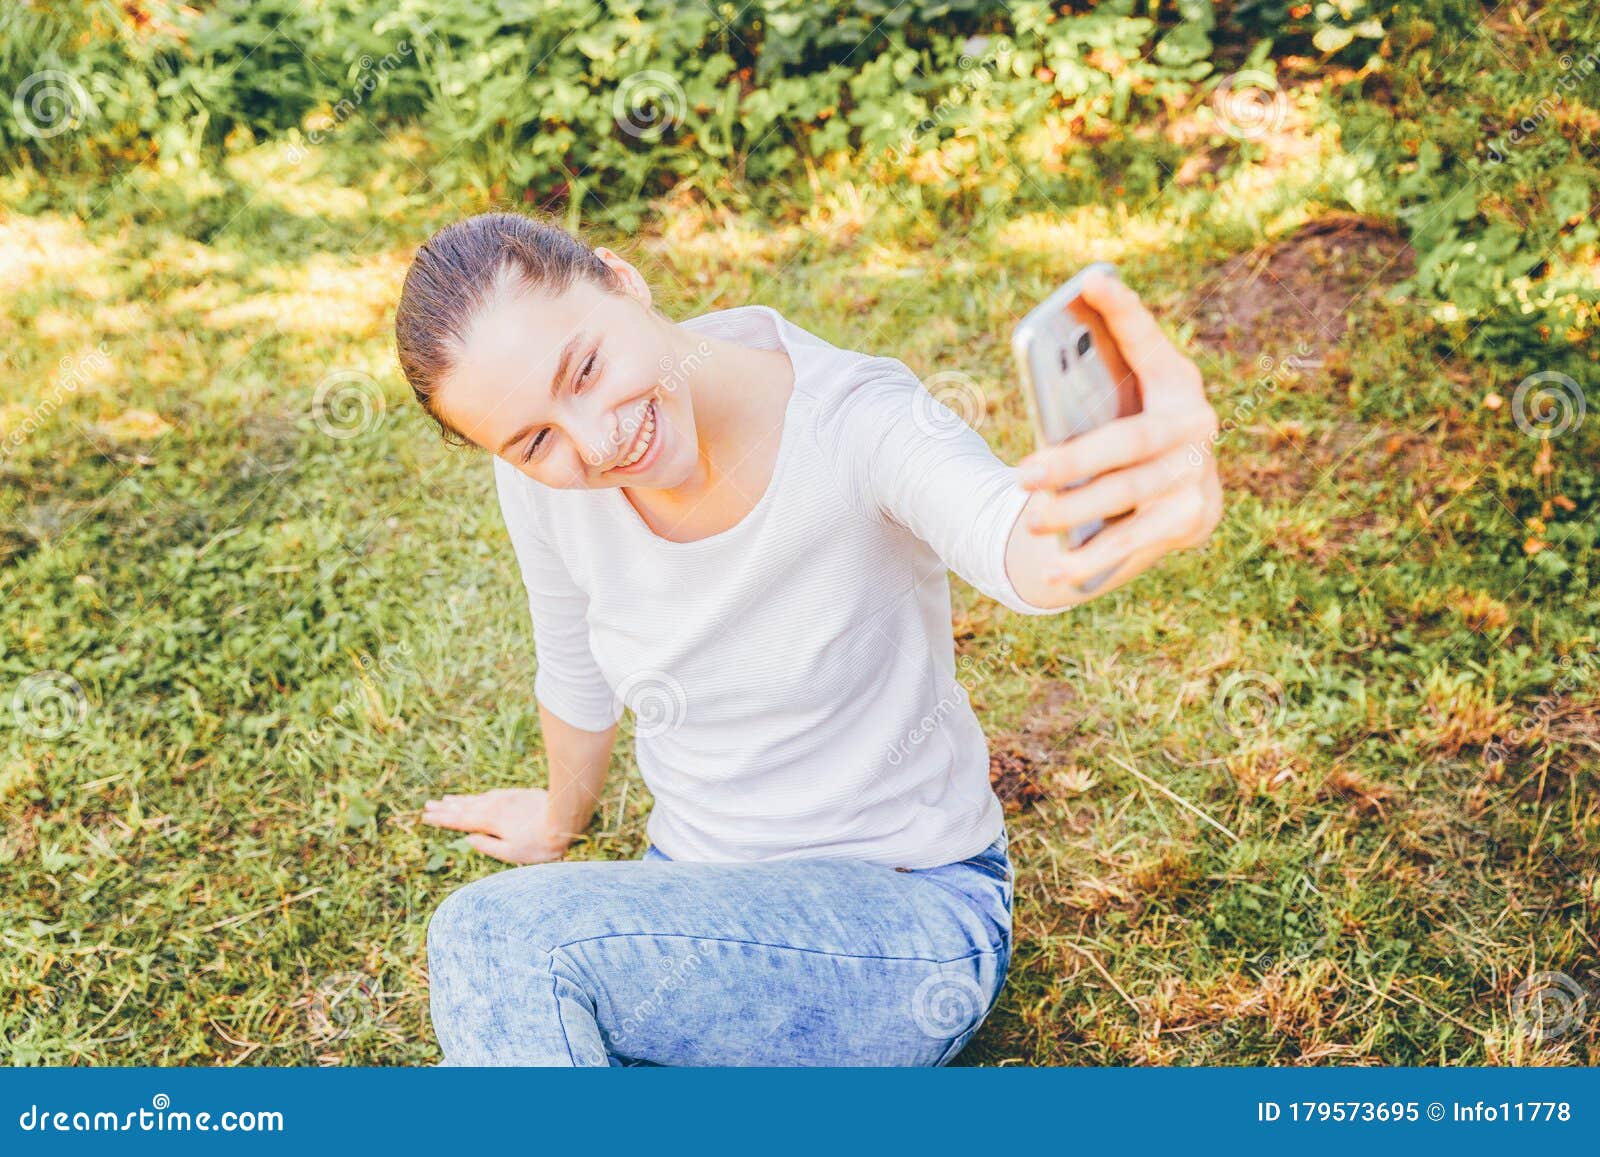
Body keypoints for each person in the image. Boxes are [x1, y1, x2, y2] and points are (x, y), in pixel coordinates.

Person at [392, 211, 1222, 1065]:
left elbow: (1017, 541)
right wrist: (556, 818)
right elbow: (572, 659)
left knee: (495, 941)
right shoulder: (539, 478)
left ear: (621, 279)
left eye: (588, 367)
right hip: (694, 896)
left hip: (906, 915)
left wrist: (1124, 509)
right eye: (536, 440)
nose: (596, 442)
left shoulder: (854, 417)